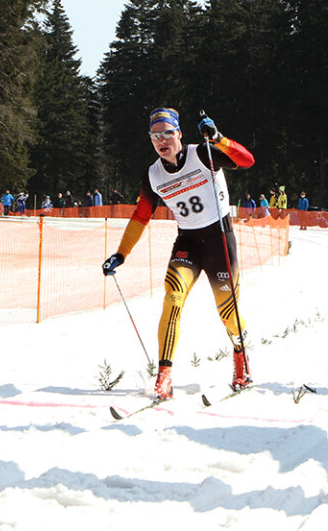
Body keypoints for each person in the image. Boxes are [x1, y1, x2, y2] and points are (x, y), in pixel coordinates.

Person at [102, 108, 255, 399]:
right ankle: (164, 376)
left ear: (179, 134)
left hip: (220, 241)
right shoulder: (153, 175)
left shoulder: (203, 154)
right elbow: (140, 216)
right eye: (155, 136)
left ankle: (240, 357)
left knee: (228, 315)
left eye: (167, 133)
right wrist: (120, 254)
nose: (162, 140)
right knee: (172, 298)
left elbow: (247, 161)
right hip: (189, 243)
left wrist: (219, 139)